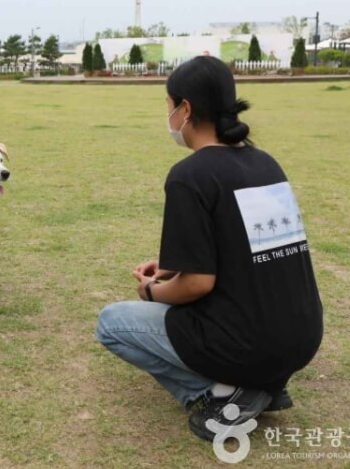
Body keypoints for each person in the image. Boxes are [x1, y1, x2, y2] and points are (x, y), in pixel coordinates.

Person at [95, 56, 323, 441]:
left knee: (112, 323)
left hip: (249, 344)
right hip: (302, 338)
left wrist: (152, 290)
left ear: (184, 109)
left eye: (168, 106)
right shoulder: (266, 163)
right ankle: (264, 383)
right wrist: (171, 267)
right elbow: (246, 247)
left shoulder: (190, 175)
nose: (167, 116)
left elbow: (197, 284)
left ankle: (224, 395)